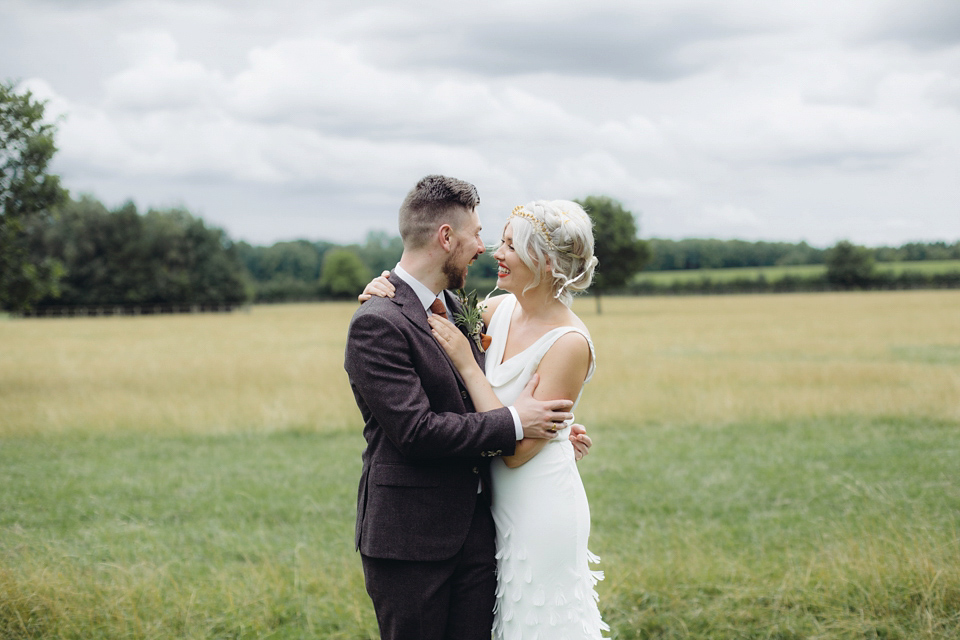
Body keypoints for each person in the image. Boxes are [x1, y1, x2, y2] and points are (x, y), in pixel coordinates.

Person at [344, 175, 591, 640]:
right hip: (411, 540)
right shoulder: (377, 321)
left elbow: (497, 388)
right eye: (478, 234)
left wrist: (554, 432)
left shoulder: (462, 309)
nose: (484, 246)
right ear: (445, 237)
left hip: (480, 532)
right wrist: (520, 422)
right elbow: (416, 432)